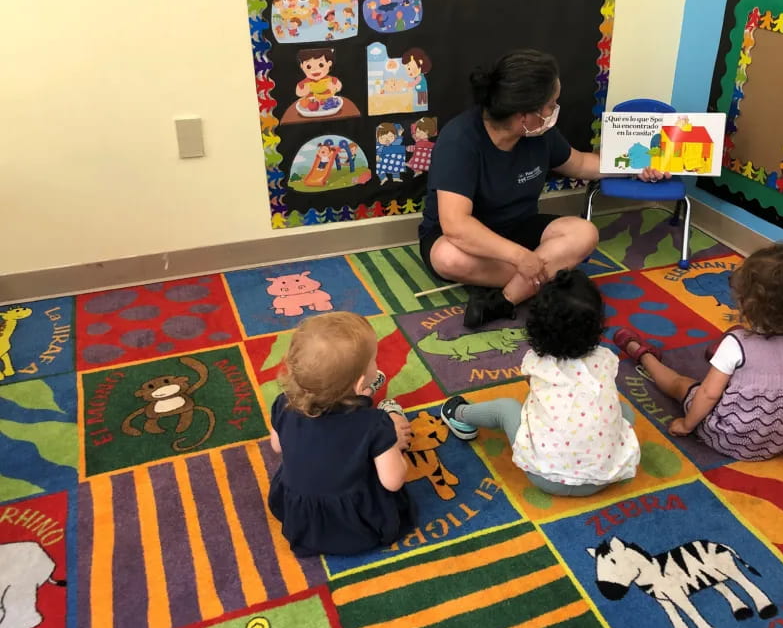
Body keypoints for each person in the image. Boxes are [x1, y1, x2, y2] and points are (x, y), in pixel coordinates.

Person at [418, 48, 670, 329]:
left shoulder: (541, 133)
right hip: (465, 238)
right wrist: (521, 257)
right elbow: (456, 225)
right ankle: (551, 279)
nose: (554, 111)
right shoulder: (460, 140)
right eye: (550, 105)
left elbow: (582, 164)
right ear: (524, 115)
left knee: (585, 232)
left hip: (520, 225)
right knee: (447, 258)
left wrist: (637, 166)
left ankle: (506, 299)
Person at [613, 243, 783, 461]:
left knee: (682, 384)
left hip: (729, 439)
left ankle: (643, 355)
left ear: (748, 304)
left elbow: (708, 394)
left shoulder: (737, 343)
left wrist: (686, 425)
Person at [440, 269, 640, 496]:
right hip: (604, 476)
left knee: (507, 408)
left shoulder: (536, 362)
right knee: (623, 411)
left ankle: (458, 414)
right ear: (598, 323)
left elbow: (533, 390)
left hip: (545, 477)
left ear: (536, 325)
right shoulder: (605, 359)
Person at [267, 312, 415, 556]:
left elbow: (277, 446)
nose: (377, 364)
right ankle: (389, 413)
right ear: (359, 384)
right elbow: (393, 481)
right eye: (374, 361)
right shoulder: (374, 423)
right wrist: (393, 440)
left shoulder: (283, 403)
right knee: (391, 429)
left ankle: (357, 404)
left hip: (300, 515)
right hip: (355, 522)